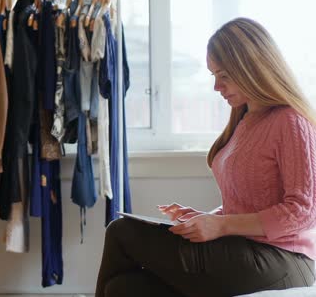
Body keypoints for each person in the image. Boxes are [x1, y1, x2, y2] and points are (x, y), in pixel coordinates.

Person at [95, 17, 316, 297]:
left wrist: (220, 225)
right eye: (214, 76)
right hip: (242, 248)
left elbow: (303, 212)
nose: (216, 87)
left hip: (283, 259)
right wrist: (204, 218)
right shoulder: (245, 120)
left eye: (224, 76)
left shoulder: (291, 121)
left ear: (252, 67)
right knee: (123, 288)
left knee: (121, 232)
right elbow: (247, 205)